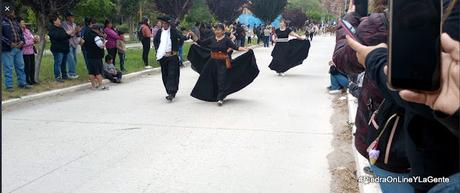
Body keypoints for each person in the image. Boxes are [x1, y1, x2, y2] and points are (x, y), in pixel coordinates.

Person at [188, 23, 259, 106]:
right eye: (216, 29)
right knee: (208, 78)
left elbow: (236, 47)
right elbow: (201, 43)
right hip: (212, 62)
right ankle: (211, 95)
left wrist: (246, 49)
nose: (217, 31)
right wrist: (193, 35)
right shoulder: (212, 39)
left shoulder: (226, 40)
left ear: (223, 31)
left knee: (221, 80)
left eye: (219, 30)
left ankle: (220, 98)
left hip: (222, 63)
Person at [1, 4, 31, 92]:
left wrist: (22, 41)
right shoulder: (2, 22)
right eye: (12, 11)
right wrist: (10, 43)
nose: (14, 13)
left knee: (21, 66)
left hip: (18, 48)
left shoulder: (15, 22)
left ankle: (22, 83)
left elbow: (20, 33)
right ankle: (9, 86)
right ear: (7, 12)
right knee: (8, 67)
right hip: (8, 49)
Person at [153, 16, 181, 102]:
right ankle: (169, 91)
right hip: (163, 57)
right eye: (163, 23)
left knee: (172, 74)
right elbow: (155, 41)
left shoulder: (173, 31)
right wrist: (158, 49)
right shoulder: (159, 32)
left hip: (172, 56)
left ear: (169, 24)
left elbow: (181, 38)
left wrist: (175, 49)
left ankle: (171, 93)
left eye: (165, 23)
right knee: (165, 75)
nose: (164, 25)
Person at [48, 15, 76, 82]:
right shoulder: (52, 29)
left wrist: (72, 33)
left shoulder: (61, 28)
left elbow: (65, 36)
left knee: (64, 63)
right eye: (58, 20)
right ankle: (57, 76)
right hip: (58, 50)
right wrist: (68, 33)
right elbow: (59, 36)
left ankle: (64, 75)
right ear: (54, 21)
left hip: (64, 49)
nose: (60, 21)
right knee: (58, 63)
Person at [84, 23, 108, 90]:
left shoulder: (86, 35)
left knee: (91, 72)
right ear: (98, 29)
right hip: (96, 56)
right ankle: (100, 85)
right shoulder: (96, 36)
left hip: (89, 55)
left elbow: (82, 42)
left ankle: (93, 86)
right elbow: (100, 45)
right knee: (98, 72)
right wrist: (104, 43)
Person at [62, 11, 81, 79]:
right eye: (71, 16)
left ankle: (73, 72)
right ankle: (71, 73)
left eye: (73, 16)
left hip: (74, 43)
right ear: (67, 17)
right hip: (68, 43)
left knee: (74, 58)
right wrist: (75, 31)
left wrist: (78, 32)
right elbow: (67, 34)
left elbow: (77, 34)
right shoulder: (64, 24)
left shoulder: (74, 24)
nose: (73, 18)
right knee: (71, 58)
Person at [20, 17, 38, 85]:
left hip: (31, 51)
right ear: (19, 24)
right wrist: (32, 41)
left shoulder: (27, 30)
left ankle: (32, 79)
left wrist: (35, 40)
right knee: (27, 67)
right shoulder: (20, 32)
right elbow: (24, 42)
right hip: (25, 52)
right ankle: (27, 80)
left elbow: (32, 38)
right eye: (22, 22)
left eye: (24, 22)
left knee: (32, 66)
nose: (24, 23)